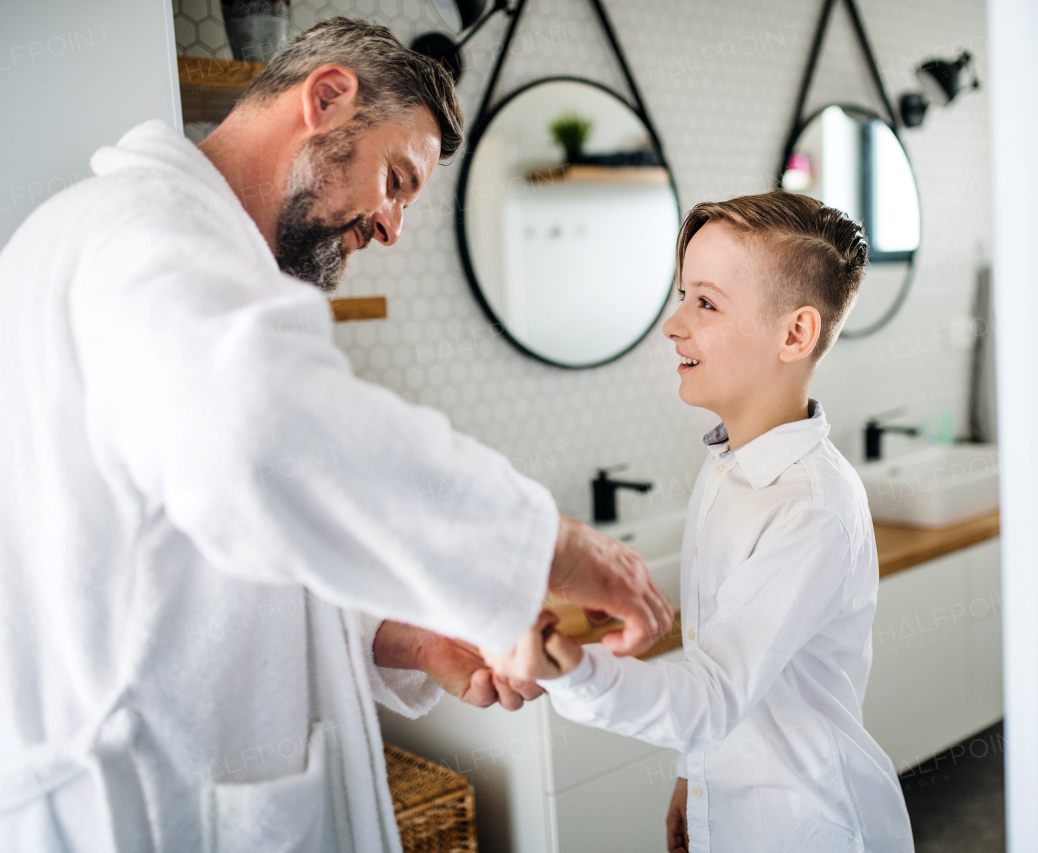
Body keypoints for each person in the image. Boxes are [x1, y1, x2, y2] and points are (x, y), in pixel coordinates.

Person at [0, 18, 671, 851]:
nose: (392, 227)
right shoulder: (150, 235)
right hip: (150, 804)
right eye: (397, 178)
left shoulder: (149, 243)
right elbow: (257, 439)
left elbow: (221, 535)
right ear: (326, 97)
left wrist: (409, 634)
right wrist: (550, 545)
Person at [489, 192, 914, 853]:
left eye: (705, 303)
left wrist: (570, 670)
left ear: (795, 333)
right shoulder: (723, 468)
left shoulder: (811, 506)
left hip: (810, 826)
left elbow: (711, 690)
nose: (673, 323)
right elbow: (715, 664)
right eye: (684, 293)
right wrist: (696, 773)